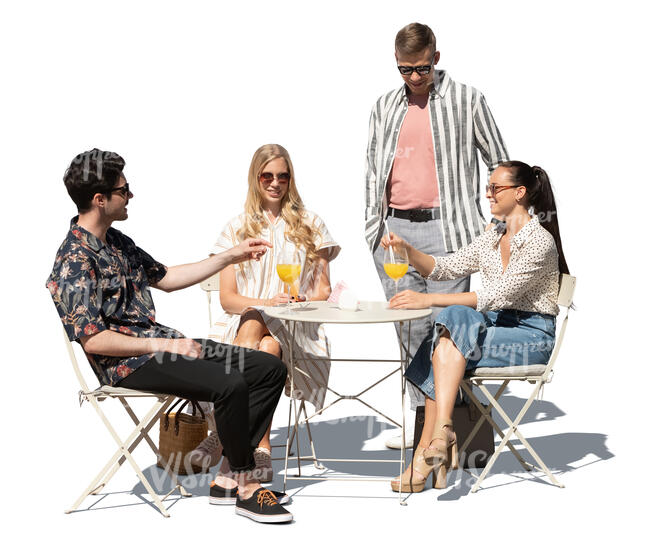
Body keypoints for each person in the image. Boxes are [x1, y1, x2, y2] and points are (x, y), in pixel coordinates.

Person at [47, 149, 294, 523]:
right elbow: (95, 340)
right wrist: (166, 344)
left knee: (267, 368)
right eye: (124, 190)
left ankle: (226, 476)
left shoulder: (118, 242)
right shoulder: (73, 261)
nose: (131, 195)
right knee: (229, 384)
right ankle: (246, 485)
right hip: (129, 363)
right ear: (100, 200)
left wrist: (232, 256)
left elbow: (167, 278)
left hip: (164, 347)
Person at [381, 161, 569, 492]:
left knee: (445, 338)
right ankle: (442, 435)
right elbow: (444, 267)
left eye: (496, 187)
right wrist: (406, 250)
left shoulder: (539, 242)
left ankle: (426, 457)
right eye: (488, 186)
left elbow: (497, 294)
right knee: (450, 330)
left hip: (529, 337)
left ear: (520, 193)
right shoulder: (494, 236)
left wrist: (428, 301)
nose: (488, 194)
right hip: (494, 328)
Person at [364, 22, 509, 448]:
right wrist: (375, 226)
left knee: (445, 325)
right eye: (405, 69)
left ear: (436, 59)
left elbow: (500, 162)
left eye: (421, 68)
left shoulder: (468, 99)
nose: (414, 78)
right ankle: (420, 420)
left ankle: (444, 424)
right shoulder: (384, 105)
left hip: (451, 232)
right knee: (408, 329)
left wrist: (497, 223)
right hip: (394, 233)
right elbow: (373, 169)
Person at [189, 144, 340, 481]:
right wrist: (264, 305)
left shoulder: (310, 224)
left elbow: (323, 291)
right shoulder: (236, 228)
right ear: (255, 178)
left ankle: (227, 440)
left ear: (291, 179)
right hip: (242, 326)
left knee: (261, 328)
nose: (275, 182)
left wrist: (297, 299)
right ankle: (260, 449)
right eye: (267, 175)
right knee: (265, 343)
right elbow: (228, 300)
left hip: (295, 323)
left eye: (283, 176)